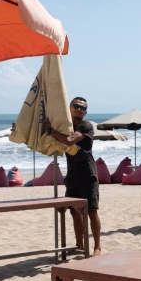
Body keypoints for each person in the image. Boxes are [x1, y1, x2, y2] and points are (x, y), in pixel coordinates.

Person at [43, 97, 102, 256]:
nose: (79, 109)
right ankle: (79, 245)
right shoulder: (65, 127)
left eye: (83, 108)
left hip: (88, 175)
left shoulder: (86, 126)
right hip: (72, 176)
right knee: (74, 212)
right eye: (76, 106)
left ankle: (97, 247)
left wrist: (51, 131)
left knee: (92, 212)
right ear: (69, 108)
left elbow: (69, 141)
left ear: (86, 112)